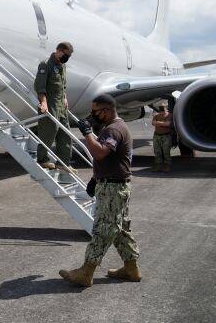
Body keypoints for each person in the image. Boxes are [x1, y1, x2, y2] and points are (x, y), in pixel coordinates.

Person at [59, 94, 141, 287]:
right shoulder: (113, 128)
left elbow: (100, 152)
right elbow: (108, 160)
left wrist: (87, 133)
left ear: (107, 111)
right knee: (120, 229)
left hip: (113, 188)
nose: (93, 115)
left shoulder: (114, 130)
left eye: (95, 112)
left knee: (103, 229)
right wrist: (95, 179)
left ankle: (86, 272)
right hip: (112, 184)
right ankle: (131, 268)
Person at [34, 42, 74, 171]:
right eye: (66, 55)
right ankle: (43, 159)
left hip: (61, 105)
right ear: (59, 51)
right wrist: (43, 102)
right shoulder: (46, 65)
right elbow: (40, 86)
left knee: (65, 133)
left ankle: (63, 163)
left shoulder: (63, 66)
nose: (67, 57)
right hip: (50, 104)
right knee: (48, 132)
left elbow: (63, 85)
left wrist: (65, 98)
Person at [151, 102, 173, 172]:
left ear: (166, 108)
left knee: (166, 152)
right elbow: (153, 123)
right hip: (157, 136)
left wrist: (158, 123)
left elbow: (168, 124)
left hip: (166, 136)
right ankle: (158, 166)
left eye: (163, 108)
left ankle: (167, 166)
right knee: (157, 152)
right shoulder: (156, 115)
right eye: (160, 108)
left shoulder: (169, 115)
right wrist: (162, 123)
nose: (161, 110)